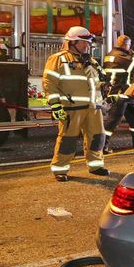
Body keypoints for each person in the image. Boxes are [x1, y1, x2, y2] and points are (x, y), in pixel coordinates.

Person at [42, 26, 109, 181]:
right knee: (68, 139)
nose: (88, 45)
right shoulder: (58, 59)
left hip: (93, 108)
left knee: (97, 137)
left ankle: (96, 165)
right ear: (73, 42)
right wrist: (55, 105)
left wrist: (104, 87)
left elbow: (96, 83)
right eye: (84, 42)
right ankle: (60, 169)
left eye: (88, 42)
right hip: (71, 109)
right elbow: (49, 83)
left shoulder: (90, 61)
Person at [102, 34, 134, 153]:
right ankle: (102, 145)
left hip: (121, 92)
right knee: (113, 120)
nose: (130, 47)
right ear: (125, 45)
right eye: (129, 45)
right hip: (120, 92)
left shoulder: (109, 56)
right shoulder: (123, 57)